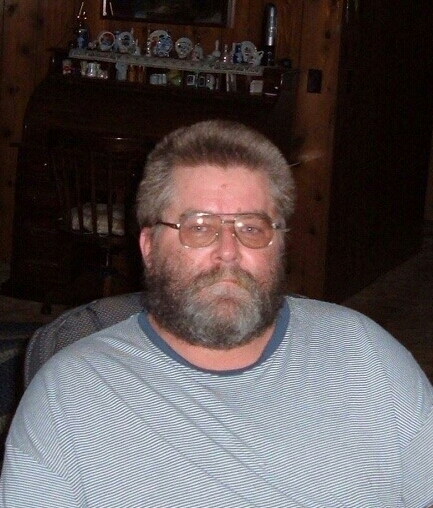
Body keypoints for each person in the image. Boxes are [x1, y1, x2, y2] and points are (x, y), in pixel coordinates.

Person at [1, 120, 433, 507]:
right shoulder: (69, 396)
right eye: (199, 227)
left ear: (280, 245)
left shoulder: (368, 356)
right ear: (149, 247)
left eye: (251, 228)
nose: (228, 251)